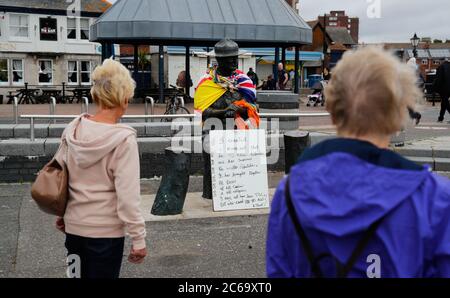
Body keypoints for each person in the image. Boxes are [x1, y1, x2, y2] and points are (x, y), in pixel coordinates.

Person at [267, 47, 450, 278]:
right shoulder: (436, 199)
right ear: (399, 117)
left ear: (332, 110)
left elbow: (279, 272)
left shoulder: (290, 191)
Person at [56, 59, 147, 278]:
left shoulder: (74, 128)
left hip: (73, 230)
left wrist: (61, 213)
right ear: (124, 99)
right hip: (105, 236)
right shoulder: (123, 140)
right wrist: (138, 238)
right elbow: (128, 196)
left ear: (97, 95)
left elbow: (60, 176)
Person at [194, 39, 259, 200]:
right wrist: (224, 111)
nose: (233, 61)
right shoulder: (206, 82)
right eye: (229, 58)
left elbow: (253, 108)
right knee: (212, 169)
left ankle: (238, 196)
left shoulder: (244, 82)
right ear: (219, 60)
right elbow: (201, 112)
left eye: (235, 58)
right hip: (213, 131)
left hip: (237, 132)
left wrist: (241, 109)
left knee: (238, 171)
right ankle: (211, 193)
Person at [406, 57, 422, 125]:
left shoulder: (407, 69)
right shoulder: (416, 69)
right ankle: (416, 115)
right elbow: (421, 79)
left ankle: (416, 115)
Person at [433, 57, 450, 122]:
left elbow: (438, 79)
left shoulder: (441, 67)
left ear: (441, 61)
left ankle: (440, 118)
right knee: (444, 103)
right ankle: (440, 118)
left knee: (446, 102)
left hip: (444, 88)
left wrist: (436, 88)